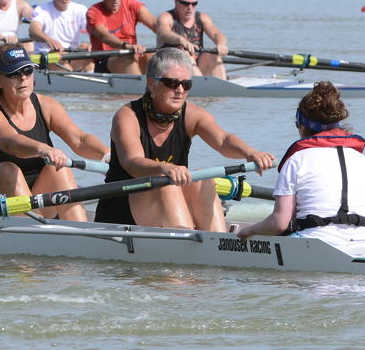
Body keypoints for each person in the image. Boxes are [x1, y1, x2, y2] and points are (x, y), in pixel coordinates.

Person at [93, 48, 275, 231]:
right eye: (171, 83)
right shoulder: (127, 116)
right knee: (165, 183)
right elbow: (132, 162)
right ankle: (187, 241)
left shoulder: (192, 115)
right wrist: (164, 167)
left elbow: (223, 140)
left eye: (186, 84)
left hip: (167, 205)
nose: (179, 90)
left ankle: (217, 241)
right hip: (120, 208)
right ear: (151, 83)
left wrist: (250, 152)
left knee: (203, 179)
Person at [0, 45, 109, 220]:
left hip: (36, 201)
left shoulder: (47, 105)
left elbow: (79, 139)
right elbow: (10, 142)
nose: (23, 78)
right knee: (7, 170)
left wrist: (108, 155)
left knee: (60, 169)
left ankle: (83, 234)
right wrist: (44, 149)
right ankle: (38, 231)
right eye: (13, 73)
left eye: (27, 70)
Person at [237, 82, 365, 249]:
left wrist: (248, 231)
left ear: (302, 124)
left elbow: (279, 223)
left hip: (314, 243)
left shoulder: (297, 160)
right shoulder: (360, 158)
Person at [85, 0, 156, 74]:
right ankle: (140, 87)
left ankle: (157, 86)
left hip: (131, 52)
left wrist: (174, 39)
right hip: (105, 61)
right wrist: (126, 46)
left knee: (151, 56)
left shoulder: (133, 6)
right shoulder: (94, 12)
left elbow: (155, 25)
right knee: (128, 57)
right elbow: (103, 35)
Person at [156, 0, 229, 79]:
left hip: (195, 67)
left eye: (194, 4)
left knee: (212, 54)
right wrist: (181, 40)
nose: (190, 7)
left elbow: (216, 34)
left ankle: (221, 85)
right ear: (176, 2)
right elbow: (163, 33)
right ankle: (202, 85)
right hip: (169, 69)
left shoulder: (202, 18)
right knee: (185, 55)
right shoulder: (166, 17)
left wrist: (221, 44)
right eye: (185, 3)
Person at [28, 0, 92, 71]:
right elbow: (33, 31)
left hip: (71, 55)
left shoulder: (80, 9)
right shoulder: (41, 10)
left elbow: (93, 30)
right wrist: (49, 40)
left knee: (87, 48)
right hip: (48, 57)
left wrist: (93, 43)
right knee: (62, 59)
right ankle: (74, 76)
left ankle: (89, 77)